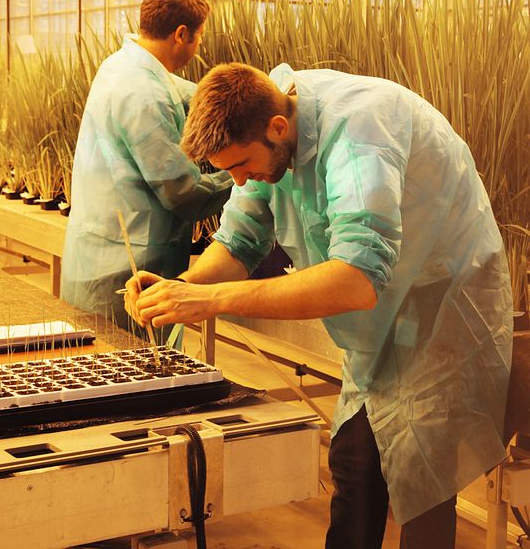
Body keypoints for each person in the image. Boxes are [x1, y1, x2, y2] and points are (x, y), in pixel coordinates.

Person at [126, 62, 513, 548]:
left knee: (425, 475)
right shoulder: (270, 126)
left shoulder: (359, 129)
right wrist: (178, 285)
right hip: (380, 323)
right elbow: (241, 241)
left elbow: (356, 280)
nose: (240, 182)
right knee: (354, 464)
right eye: (228, 173)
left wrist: (210, 299)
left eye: (241, 166)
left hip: (440, 305)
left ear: (278, 128)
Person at [60, 0, 232, 339]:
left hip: (98, 251)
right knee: (129, 373)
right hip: (126, 269)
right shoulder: (145, 93)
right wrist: (245, 177)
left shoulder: (122, 65)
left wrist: (240, 96)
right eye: (198, 37)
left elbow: (185, 92)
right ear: (181, 34)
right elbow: (182, 192)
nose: (199, 46)